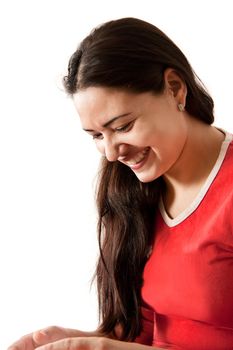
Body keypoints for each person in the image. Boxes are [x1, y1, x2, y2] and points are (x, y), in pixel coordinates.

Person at [8, 17, 233, 350]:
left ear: (174, 88)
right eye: (97, 136)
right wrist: (91, 340)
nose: (111, 153)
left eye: (123, 126)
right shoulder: (137, 192)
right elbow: (147, 334)